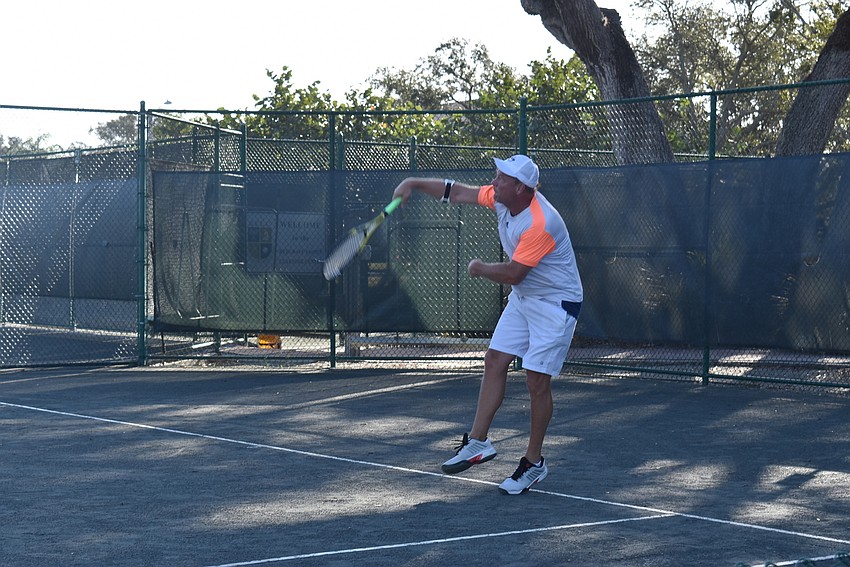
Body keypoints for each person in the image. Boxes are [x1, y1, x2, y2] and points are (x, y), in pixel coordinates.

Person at [391, 154, 583, 495]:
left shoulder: (540, 223)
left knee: (536, 381)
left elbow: (513, 272)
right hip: (526, 297)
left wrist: (480, 268)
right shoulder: (501, 198)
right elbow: (458, 192)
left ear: (521, 187)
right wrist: (413, 184)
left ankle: (533, 463)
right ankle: (478, 442)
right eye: (495, 176)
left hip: (555, 304)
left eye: (501, 178)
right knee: (494, 359)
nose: (493, 182)